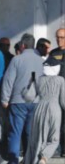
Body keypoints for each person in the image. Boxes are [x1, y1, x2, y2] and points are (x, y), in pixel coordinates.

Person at [1, 33, 44, 164]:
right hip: (36, 101)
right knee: (31, 133)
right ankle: (30, 160)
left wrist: (5, 99)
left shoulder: (17, 60)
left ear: (23, 45)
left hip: (18, 101)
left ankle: (13, 161)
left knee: (15, 133)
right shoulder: (41, 60)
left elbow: (8, 80)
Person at [24, 57, 65, 164]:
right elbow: (63, 102)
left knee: (38, 137)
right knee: (54, 139)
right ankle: (44, 158)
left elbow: (29, 98)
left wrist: (30, 84)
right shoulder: (61, 80)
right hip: (55, 109)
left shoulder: (38, 78)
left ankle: (36, 159)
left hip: (39, 108)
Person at [49, 28, 65, 157]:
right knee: (56, 121)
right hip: (55, 93)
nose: (59, 40)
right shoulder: (53, 53)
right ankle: (57, 147)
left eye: (62, 37)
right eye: (57, 37)